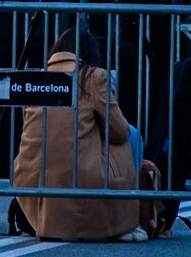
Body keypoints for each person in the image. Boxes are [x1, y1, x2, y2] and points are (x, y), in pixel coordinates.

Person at [11, 26, 146, 242]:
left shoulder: (36, 79)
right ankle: (126, 220)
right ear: (91, 53)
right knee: (133, 135)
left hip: (30, 179)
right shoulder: (92, 76)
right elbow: (119, 131)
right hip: (80, 179)